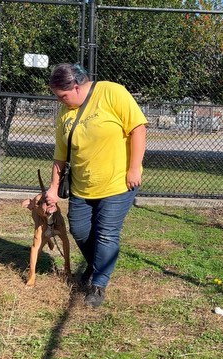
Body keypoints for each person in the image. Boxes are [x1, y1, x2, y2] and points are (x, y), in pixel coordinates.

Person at [44, 63, 147, 308]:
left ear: (77, 87)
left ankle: (98, 284)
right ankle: (98, 265)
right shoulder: (65, 112)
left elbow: (138, 129)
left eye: (63, 96)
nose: (61, 101)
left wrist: (134, 168)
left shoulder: (112, 92)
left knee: (106, 233)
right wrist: (53, 188)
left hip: (118, 182)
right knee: (79, 230)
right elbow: (61, 155)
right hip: (82, 185)